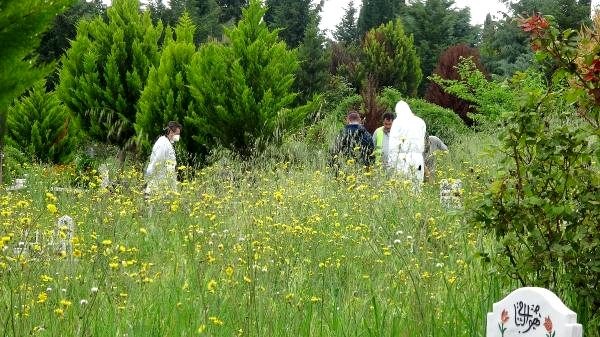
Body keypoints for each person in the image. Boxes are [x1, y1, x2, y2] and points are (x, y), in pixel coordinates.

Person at [387, 101, 426, 183]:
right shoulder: (420, 122)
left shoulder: (397, 122)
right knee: (417, 184)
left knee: (402, 184)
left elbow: (393, 145)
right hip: (418, 159)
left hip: (402, 159)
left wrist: (391, 164)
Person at [144, 121, 182, 198]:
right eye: (177, 134)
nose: (178, 136)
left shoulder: (167, 143)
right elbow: (156, 163)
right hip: (159, 183)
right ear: (171, 132)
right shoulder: (163, 144)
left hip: (165, 183)